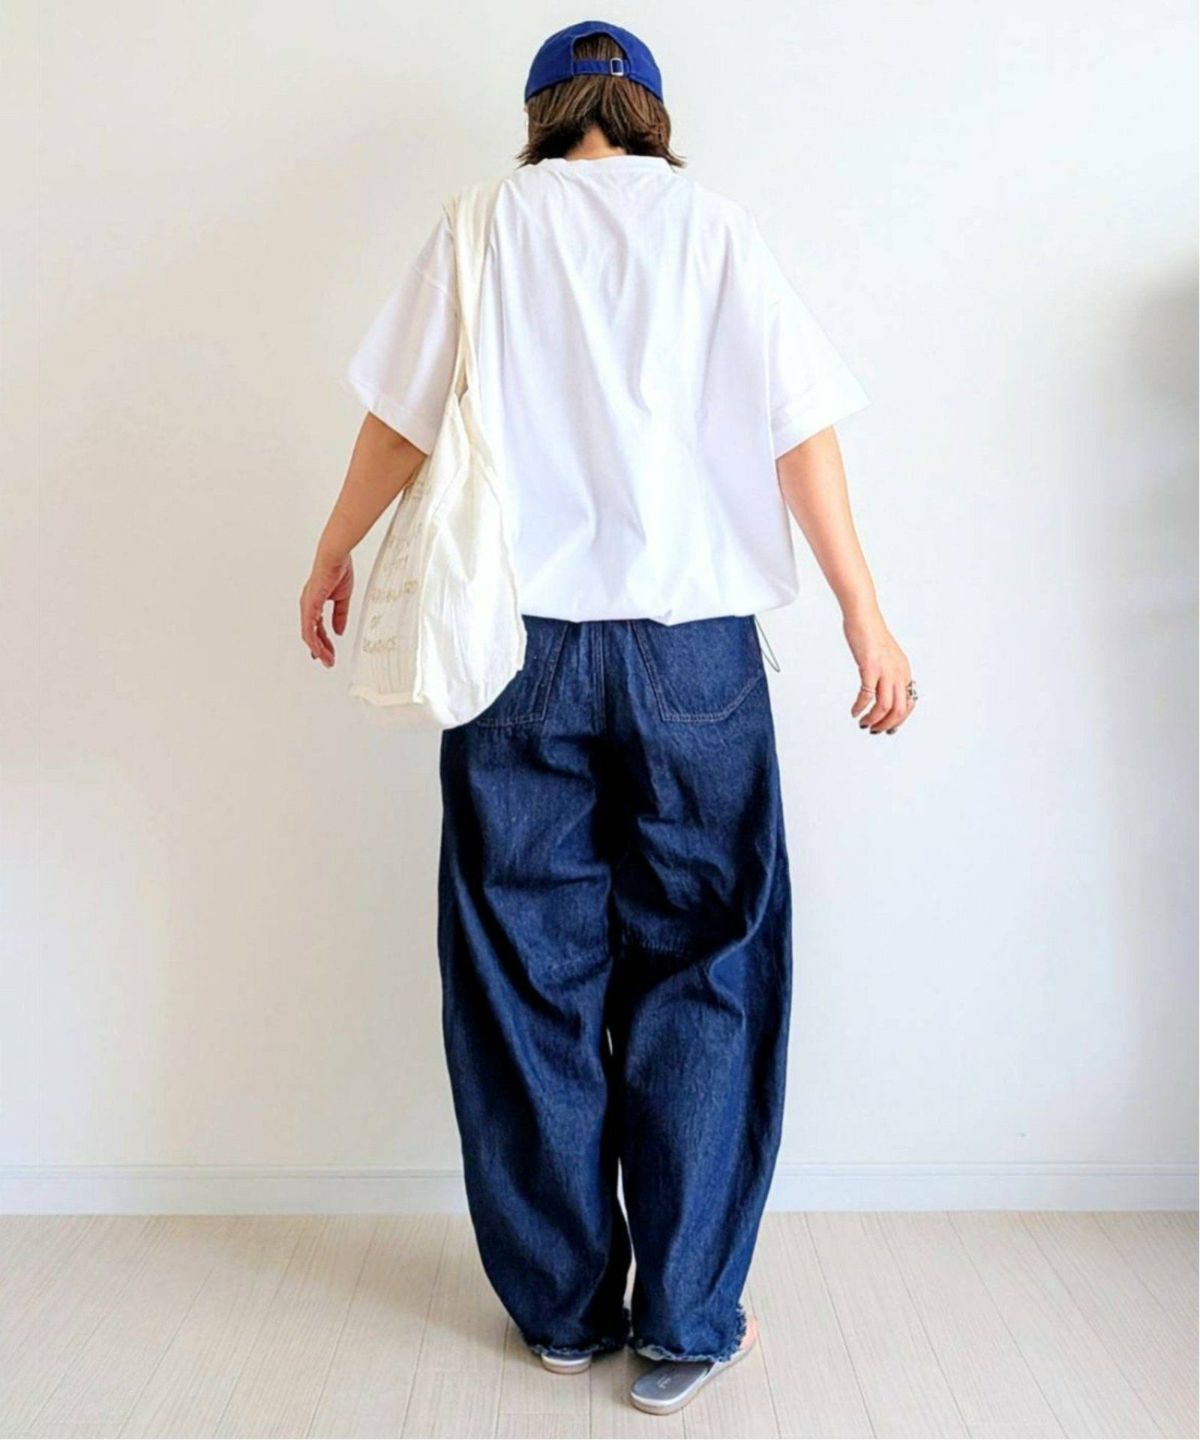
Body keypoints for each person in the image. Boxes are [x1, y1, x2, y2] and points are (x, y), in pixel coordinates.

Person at [300, 19, 915, 1417]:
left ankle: (566, 1314)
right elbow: (801, 431)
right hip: (697, 656)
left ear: (542, 112)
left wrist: (334, 549)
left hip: (517, 649)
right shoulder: (713, 228)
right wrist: (864, 617)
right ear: (649, 114)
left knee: (526, 976)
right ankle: (687, 1320)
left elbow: (401, 422)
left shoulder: (481, 224)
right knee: (711, 970)